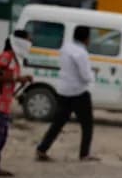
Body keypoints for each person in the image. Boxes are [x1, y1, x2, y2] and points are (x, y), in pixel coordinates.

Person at [35, 25, 98, 161]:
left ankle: (42, 148)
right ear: (86, 38)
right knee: (87, 124)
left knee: (58, 122)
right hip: (79, 92)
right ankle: (84, 153)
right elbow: (85, 76)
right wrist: (93, 75)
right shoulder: (81, 53)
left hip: (64, 90)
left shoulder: (65, 48)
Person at [0, 30, 33, 178]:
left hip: (4, 104)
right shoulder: (6, 57)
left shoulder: (14, 58)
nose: (30, 44)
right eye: (28, 40)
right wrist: (15, 79)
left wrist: (20, 79)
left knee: (1, 137)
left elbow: (9, 77)